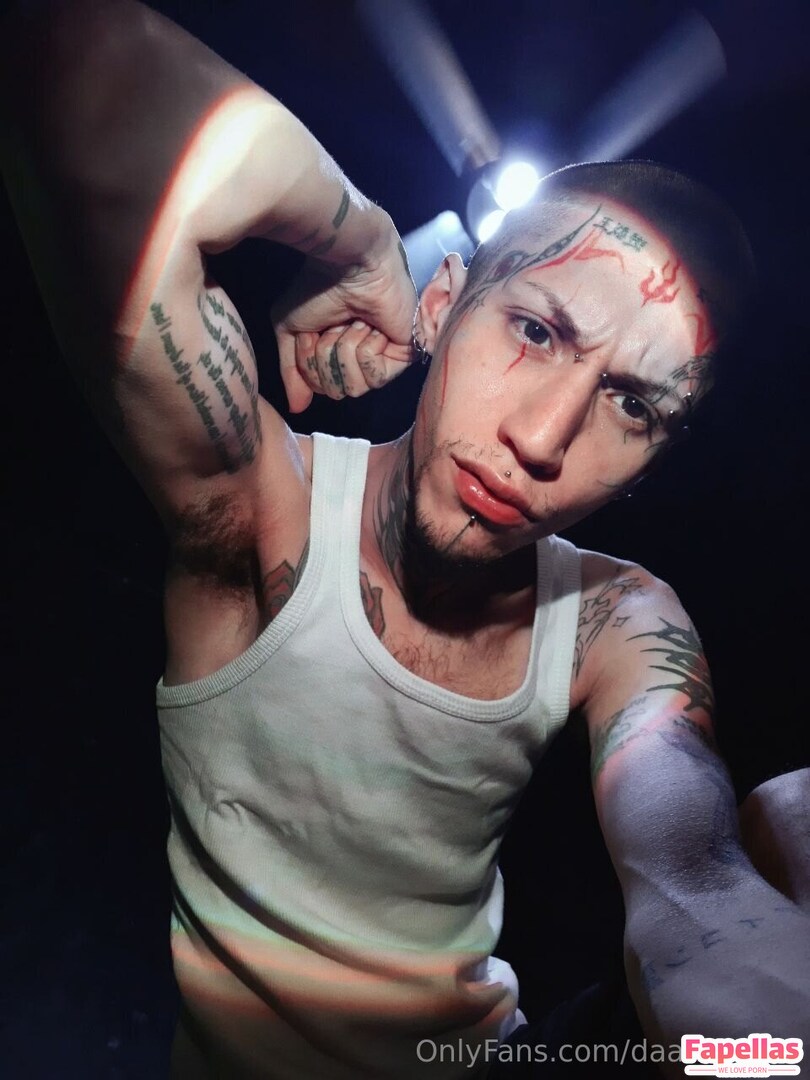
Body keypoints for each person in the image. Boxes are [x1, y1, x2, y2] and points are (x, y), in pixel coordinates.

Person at [2, 2, 808, 1077]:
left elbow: (690, 875)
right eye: (535, 330)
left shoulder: (617, 620)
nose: (541, 439)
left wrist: (761, 1041)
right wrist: (357, 238)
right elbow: (73, 52)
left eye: (630, 404)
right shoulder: (264, 505)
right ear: (442, 308)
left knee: (793, 816)